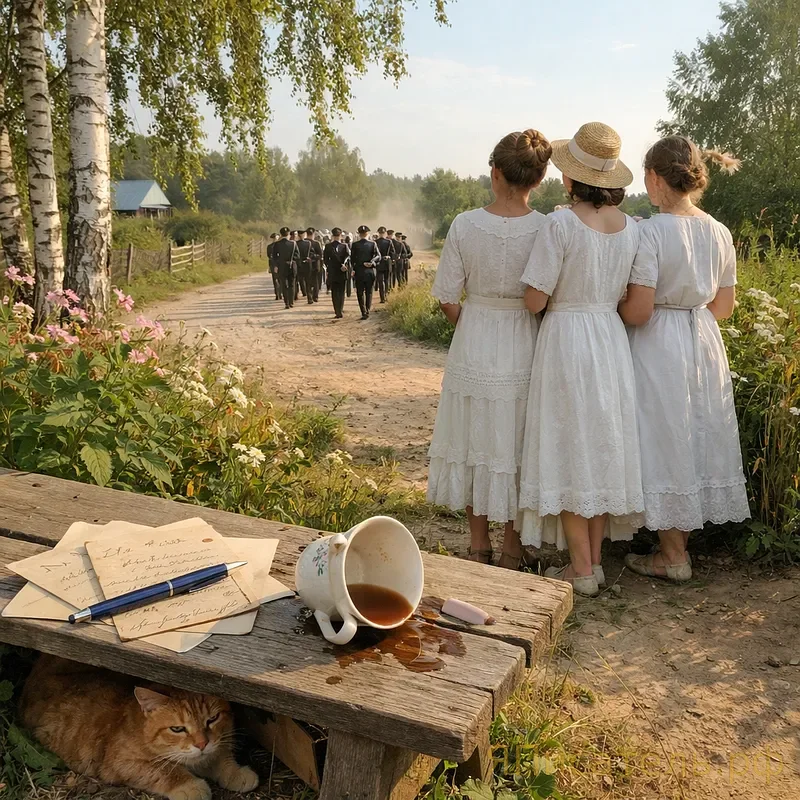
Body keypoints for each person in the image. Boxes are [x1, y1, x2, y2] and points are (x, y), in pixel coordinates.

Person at [517, 122, 644, 597]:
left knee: (570, 446)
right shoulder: (633, 229)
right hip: (609, 339)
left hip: (568, 337)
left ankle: (582, 569)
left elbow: (534, 299)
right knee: (597, 447)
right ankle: (591, 563)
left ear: (572, 179)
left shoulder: (561, 224)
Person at [619, 136, 749, 582]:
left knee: (664, 434)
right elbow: (724, 306)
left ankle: (672, 555)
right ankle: (676, 548)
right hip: (703, 335)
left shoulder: (650, 231)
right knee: (696, 432)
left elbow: (637, 309)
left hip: (660, 337)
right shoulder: (719, 230)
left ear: (655, 179)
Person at [427, 129, 552, 569]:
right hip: (526, 335)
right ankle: (513, 549)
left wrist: (471, 321)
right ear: (537, 180)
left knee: (474, 437)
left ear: (495, 172)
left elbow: (446, 295)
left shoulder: (464, 224)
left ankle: (478, 546)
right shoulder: (547, 227)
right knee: (518, 441)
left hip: (475, 334)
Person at [350, 224, 381, 319]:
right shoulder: (373, 244)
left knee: (360, 292)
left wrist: (353, 270)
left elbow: (352, 260)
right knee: (369, 292)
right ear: (368, 233)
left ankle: (363, 311)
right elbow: (378, 256)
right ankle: (367, 310)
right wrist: (372, 263)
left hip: (359, 272)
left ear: (359, 234)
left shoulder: (355, 245)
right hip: (369, 271)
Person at [324, 227, 350, 319]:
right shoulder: (329, 246)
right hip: (334, 271)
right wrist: (330, 267)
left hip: (340, 271)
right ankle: (338, 311)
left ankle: (339, 310)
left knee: (339, 291)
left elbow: (348, 258)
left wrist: (345, 265)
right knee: (337, 291)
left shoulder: (344, 246)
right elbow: (325, 260)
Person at [272, 227, 299, 309]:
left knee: (284, 284)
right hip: (292, 265)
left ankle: (286, 303)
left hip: (281, 266)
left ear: (281, 234)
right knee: (292, 284)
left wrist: (276, 265)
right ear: (289, 234)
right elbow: (297, 256)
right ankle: (291, 302)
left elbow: (274, 256)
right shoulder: (293, 243)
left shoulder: (277, 244)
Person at [375, 227, 395, 303]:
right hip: (386, 262)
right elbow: (392, 253)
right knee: (386, 280)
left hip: (379, 263)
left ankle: (383, 297)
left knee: (381, 281)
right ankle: (386, 296)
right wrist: (391, 259)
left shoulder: (375, 242)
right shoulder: (389, 242)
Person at [306, 227, 323, 303]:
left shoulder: (305, 243)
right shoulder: (316, 243)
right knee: (315, 281)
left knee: (308, 281)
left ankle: (310, 297)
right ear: (313, 234)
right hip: (315, 264)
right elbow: (320, 255)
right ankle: (315, 296)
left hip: (309, 264)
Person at [267, 233, 281, 301]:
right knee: (275, 280)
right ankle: (277, 294)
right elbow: (269, 256)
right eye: (274, 238)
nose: (275, 239)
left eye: (276, 238)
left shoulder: (281, 245)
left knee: (281, 279)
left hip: (281, 264)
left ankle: (281, 292)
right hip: (273, 264)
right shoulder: (269, 246)